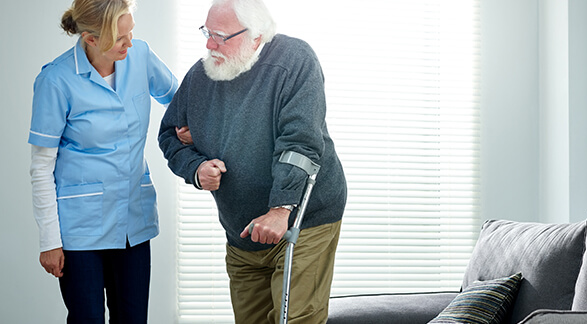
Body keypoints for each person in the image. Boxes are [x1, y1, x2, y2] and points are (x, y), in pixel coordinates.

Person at [158, 0, 347, 322]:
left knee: (296, 319)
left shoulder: (293, 60)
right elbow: (169, 136)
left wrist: (280, 210)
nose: (209, 44)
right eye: (207, 32)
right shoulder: (202, 76)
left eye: (220, 36)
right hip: (240, 228)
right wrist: (196, 168)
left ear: (256, 37)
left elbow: (300, 142)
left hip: (302, 218)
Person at [28, 0, 189, 322]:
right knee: (87, 317)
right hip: (80, 228)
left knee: (132, 318)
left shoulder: (140, 56)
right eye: (119, 38)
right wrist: (49, 241)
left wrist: (189, 127)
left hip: (133, 218)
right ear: (90, 38)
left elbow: (181, 99)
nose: (129, 43)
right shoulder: (56, 80)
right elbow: (41, 167)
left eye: (131, 32)